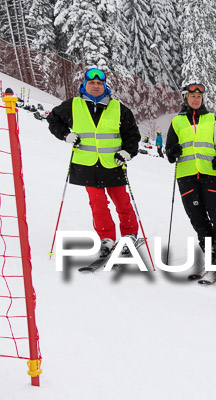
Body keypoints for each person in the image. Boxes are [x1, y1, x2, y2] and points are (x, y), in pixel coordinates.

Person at [47, 67, 141, 257]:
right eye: (92, 83)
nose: (96, 86)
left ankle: (129, 235)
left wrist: (127, 152)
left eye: (99, 83)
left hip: (113, 163)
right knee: (97, 204)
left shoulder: (118, 108)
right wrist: (66, 135)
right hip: (87, 165)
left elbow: (132, 135)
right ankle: (106, 238)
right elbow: (53, 119)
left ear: (104, 85)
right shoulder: (73, 105)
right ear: (84, 85)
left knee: (122, 202)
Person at [164, 82, 216, 264]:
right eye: (192, 96)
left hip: (209, 172)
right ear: (186, 98)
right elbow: (169, 149)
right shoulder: (177, 122)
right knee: (196, 215)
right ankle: (210, 246)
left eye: (199, 97)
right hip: (186, 175)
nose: (195, 99)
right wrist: (173, 152)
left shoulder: (211, 119)